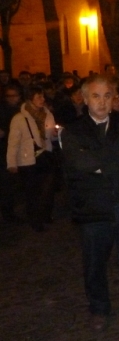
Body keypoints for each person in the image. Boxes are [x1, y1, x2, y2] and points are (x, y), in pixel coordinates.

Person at [60, 74, 119, 341]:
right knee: (95, 265)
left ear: (114, 98)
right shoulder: (73, 130)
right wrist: (117, 157)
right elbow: (79, 162)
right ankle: (99, 307)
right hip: (92, 210)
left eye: (107, 95)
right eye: (96, 96)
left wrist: (101, 163)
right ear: (85, 99)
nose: (102, 101)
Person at [7, 84, 57, 232]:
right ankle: (35, 220)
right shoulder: (20, 118)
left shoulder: (47, 114)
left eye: (43, 96)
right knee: (33, 192)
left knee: (48, 188)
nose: (42, 99)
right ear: (30, 99)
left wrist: (55, 134)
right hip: (27, 159)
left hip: (45, 155)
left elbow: (50, 135)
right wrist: (12, 162)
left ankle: (45, 214)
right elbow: (13, 142)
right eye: (39, 97)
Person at [0, 83, 23, 223]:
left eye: (14, 96)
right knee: (6, 185)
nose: (11, 99)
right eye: (9, 96)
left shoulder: (20, 110)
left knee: (11, 185)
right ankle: (8, 213)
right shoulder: (3, 110)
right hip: (4, 151)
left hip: (17, 150)